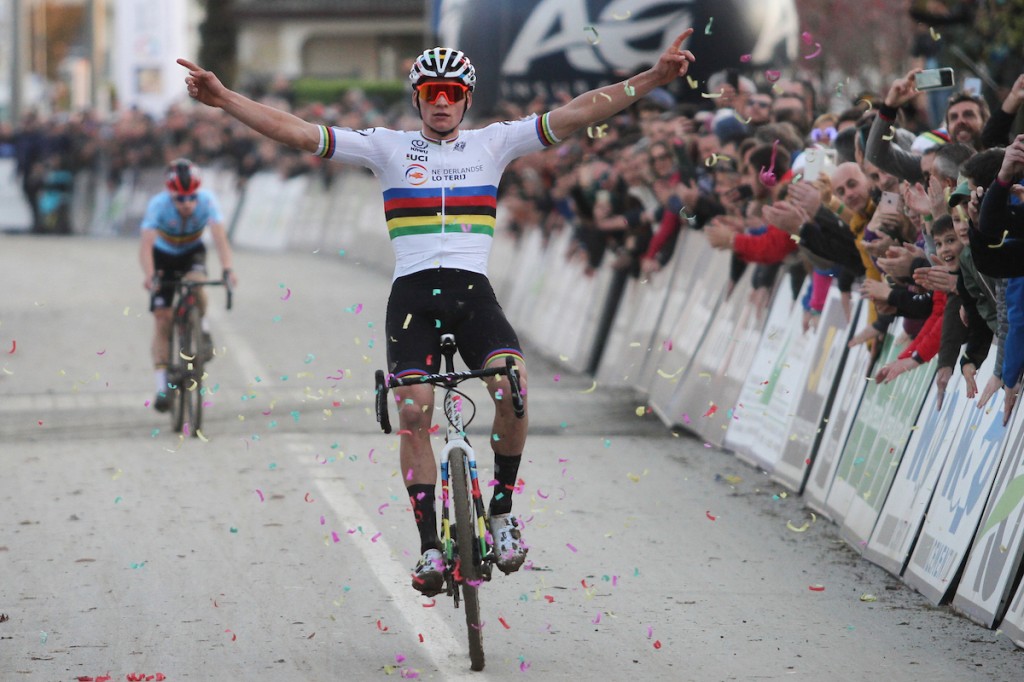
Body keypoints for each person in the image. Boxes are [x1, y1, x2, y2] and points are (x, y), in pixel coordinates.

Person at [177, 32, 697, 596]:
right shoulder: (386, 147)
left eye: (451, 92)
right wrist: (225, 97)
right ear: (419, 98)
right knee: (414, 410)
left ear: (466, 98)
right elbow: (302, 133)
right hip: (413, 302)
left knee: (512, 386)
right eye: (431, 92)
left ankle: (501, 511)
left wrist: (650, 79)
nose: (441, 101)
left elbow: (575, 114)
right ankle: (429, 546)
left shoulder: (495, 144)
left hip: (473, 296)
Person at [140, 158, 237, 412]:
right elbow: (146, 246)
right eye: (180, 199)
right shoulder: (158, 205)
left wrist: (227, 268)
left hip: (192, 253)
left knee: (197, 284)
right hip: (163, 257)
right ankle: (162, 387)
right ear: (170, 195)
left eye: (191, 197)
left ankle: (201, 328)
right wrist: (150, 275)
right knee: (162, 318)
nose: (187, 204)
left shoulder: (208, 201)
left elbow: (219, 237)